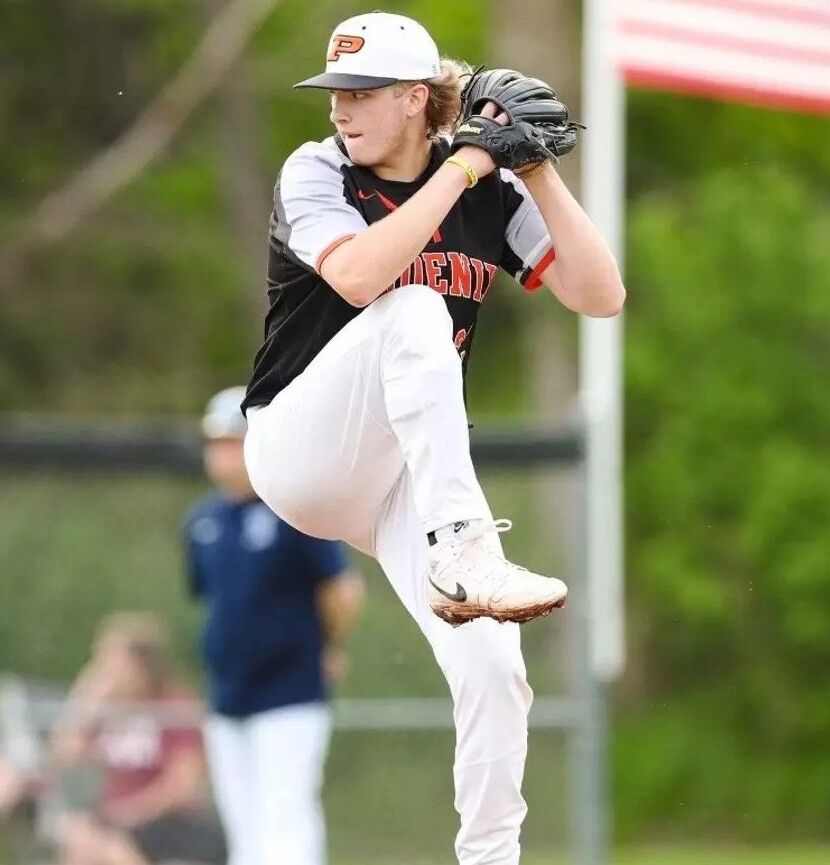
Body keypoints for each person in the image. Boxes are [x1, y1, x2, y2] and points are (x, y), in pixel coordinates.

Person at [241, 11, 625, 865]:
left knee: (497, 666)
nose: (340, 110)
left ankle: (491, 857)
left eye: (361, 92)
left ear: (417, 97)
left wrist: (535, 170)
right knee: (412, 309)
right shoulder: (319, 169)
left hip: (399, 474)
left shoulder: (490, 188)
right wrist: (464, 166)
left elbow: (601, 296)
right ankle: (462, 546)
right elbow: (356, 274)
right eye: (334, 92)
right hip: (300, 447)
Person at [185, 386, 364, 865]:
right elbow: (213, 602)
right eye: (216, 442)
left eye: (233, 441)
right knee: (243, 826)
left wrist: (331, 646)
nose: (221, 454)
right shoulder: (204, 520)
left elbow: (341, 589)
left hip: (290, 691)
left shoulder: (294, 508)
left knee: (285, 817)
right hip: (227, 694)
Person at [50, 613, 225, 865]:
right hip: (119, 819)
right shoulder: (107, 709)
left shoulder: (172, 709)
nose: (107, 674)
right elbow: (66, 755)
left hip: (170, 821)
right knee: (79, 835)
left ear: (142, 667)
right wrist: (85, 701)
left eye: (114, 664)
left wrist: (132, 811)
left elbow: (182, 785)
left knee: (111, 849)